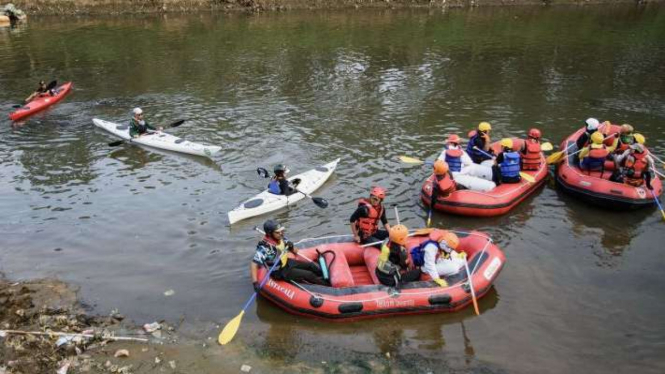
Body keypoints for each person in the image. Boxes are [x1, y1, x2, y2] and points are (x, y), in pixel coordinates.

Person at [251, 219, 326, 290]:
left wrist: (291, 247)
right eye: (277, 232)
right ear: (270, 233)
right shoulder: (265, 248)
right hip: (279, 271)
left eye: (281, 231)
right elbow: (254, 263)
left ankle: (326, 276)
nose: (281, 233)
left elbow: (295, 251)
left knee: (311, 265)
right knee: (309, 275)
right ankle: (327, 285)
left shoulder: (282, 238)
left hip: (287, 263)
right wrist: (255, 283)